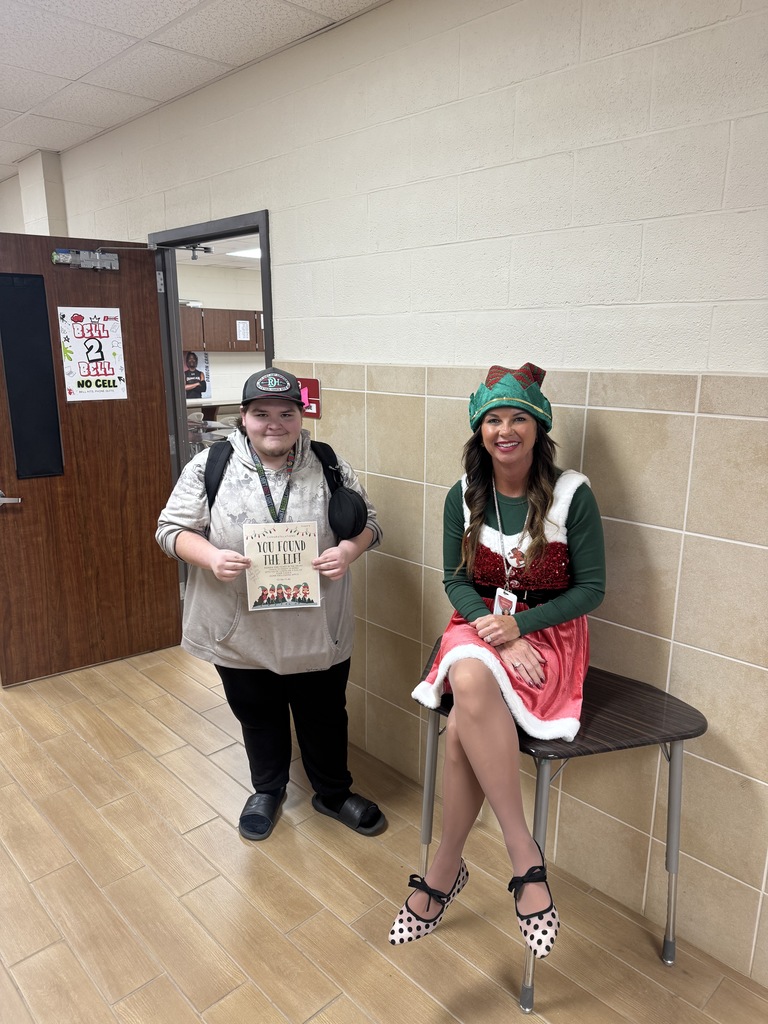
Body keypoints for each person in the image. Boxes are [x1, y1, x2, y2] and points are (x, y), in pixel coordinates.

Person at [389, 363, 605, 959]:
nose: (505, 430)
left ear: (538, 429)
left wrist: (523, 625)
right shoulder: (462, 495)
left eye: (518, 419)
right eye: (493, 420)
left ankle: (444, 870)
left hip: (552, 634)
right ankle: (524, 857)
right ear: (478, 431)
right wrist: (500, 634)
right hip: (481, 627)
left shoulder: (571, 494)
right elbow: (455, 580)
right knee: (466, 667)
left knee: (462, 720)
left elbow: (592, 590)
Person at [157, 366, 386, 842]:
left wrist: (349, 550)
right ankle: (267, 789)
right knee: (256, 711)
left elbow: (372, 523)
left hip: (316, 624)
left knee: (325, 712)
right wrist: (211, 556)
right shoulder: (210, 465)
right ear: (244, 417)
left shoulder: (327, 463)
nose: (274, 423)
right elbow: (170, 531)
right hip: (239, 626)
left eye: (286, 413)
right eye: (261, 413)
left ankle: (332, 792)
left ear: (301, 417)